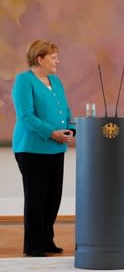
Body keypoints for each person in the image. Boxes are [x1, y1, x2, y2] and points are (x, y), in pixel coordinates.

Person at [11, 40, 75, 257]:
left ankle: (47, 240)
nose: (58, 60)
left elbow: (65, 109)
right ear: (40, 59)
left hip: (56, 148)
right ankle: (33, 244)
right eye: (53, 57)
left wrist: (71, 128)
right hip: (31, 149)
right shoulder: (23, 81)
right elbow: (26, 115)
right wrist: (52, 133)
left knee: (53, 196)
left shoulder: (55, 80)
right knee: (36, 197)